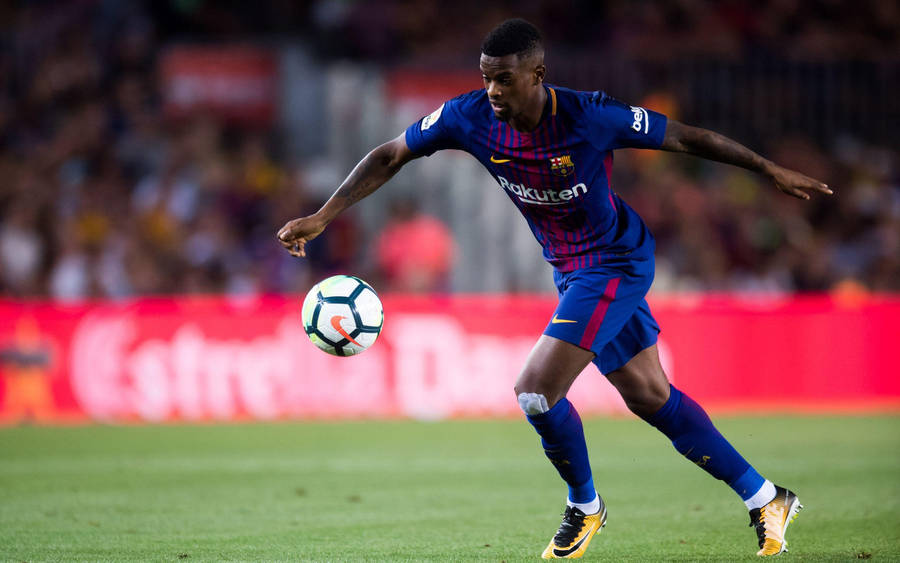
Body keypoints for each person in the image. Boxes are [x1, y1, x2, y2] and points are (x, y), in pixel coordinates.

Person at [278, 18, 831, 559]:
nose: (493, 91)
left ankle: (584, 506)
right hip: (569, 269)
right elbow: (389, 154)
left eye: (504, 79)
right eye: (486, 78)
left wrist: (768, 169)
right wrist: (323, 216)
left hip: (614, 263)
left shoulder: (591, 115)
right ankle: (767, 497)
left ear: (537, 74)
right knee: (649, 395)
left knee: (535, 392)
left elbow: (686, 138)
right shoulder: (468, 116)